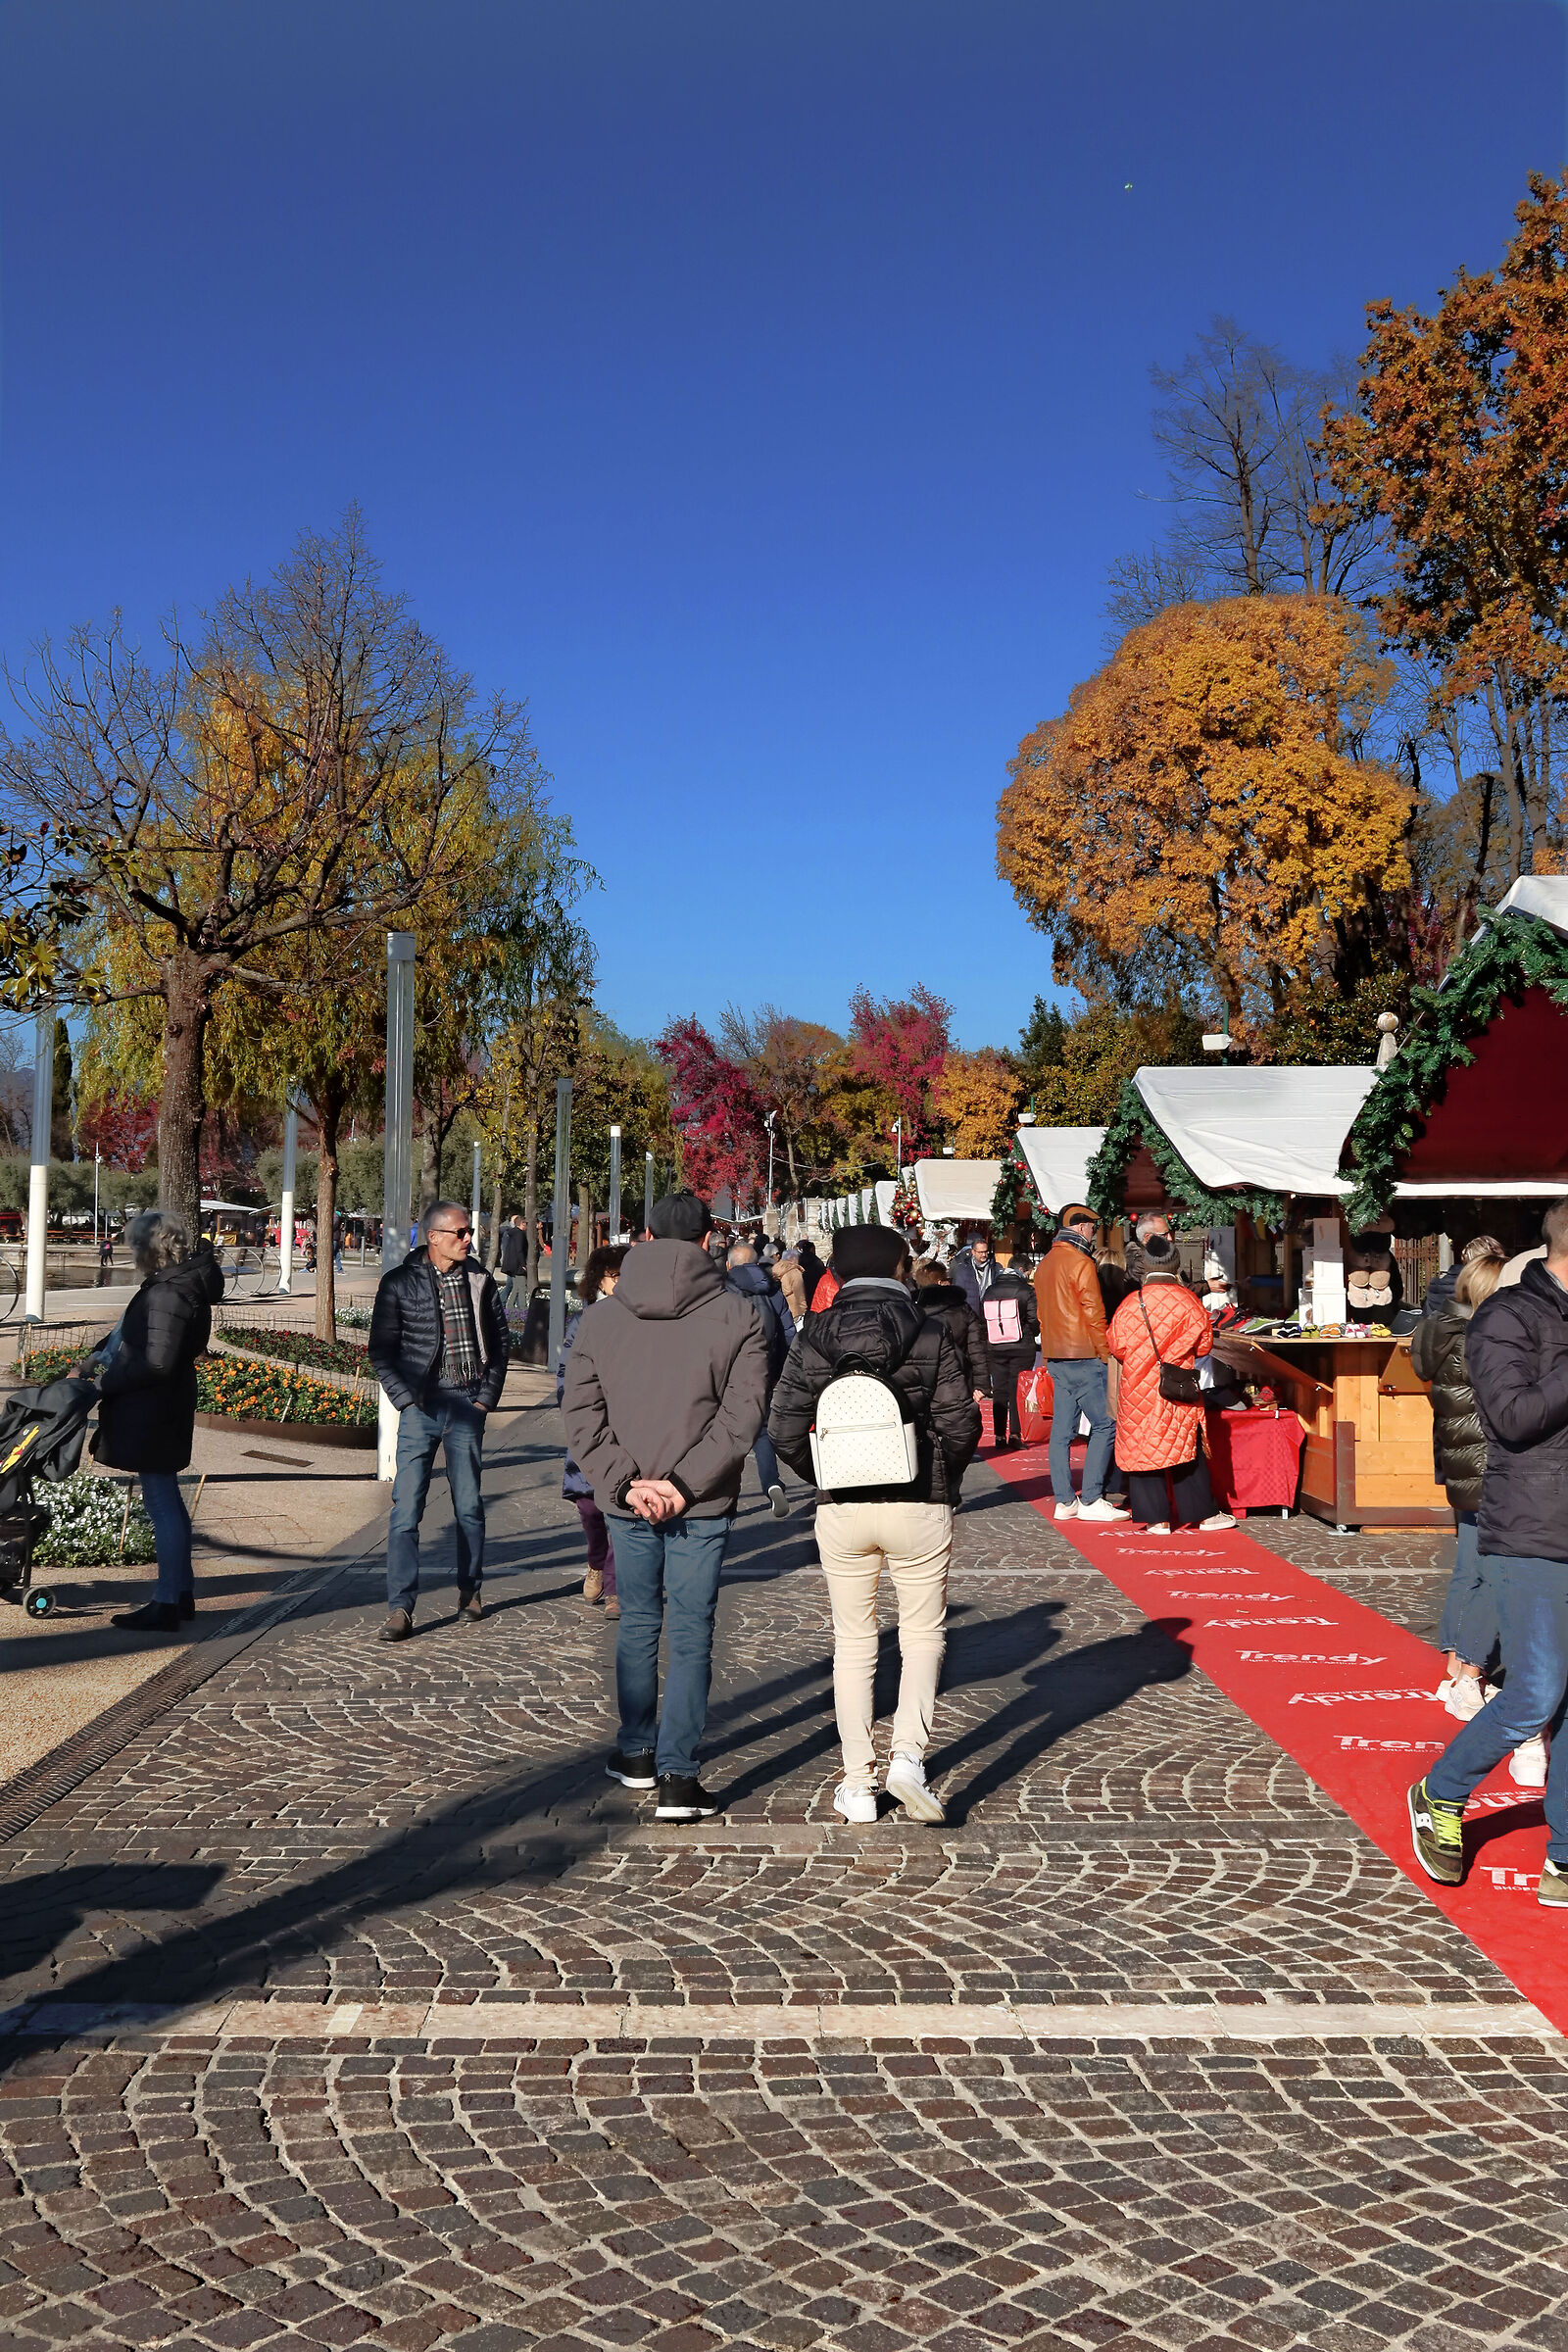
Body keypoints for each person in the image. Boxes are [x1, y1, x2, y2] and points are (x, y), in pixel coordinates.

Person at [562, 1191, 768, 1821]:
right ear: (707, 1241)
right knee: (689, 1629)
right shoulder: (742, 1315)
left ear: (645, 1238)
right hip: (700, 1500)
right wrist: (683, 1482)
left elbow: (580, 1417)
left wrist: (626, 1483)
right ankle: (678, 1775)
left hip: (631, 1499)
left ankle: (635, 1753)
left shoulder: (599, 1319)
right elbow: (743, 1416)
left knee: (639, 1624)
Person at [768, 1226, 981, 1826]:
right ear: (899, 1266)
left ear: (836, 1271)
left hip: (843, 1508)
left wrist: (829, 1473)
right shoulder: (931, 1330)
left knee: (855, 1642)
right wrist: (943, 1477)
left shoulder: (812, 1335)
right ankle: (909, 1757)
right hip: (919, 1502)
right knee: (921, 1634)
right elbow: (960, 1423)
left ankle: (858, 1784)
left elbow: (783, 1427)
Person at [1409, 1198, 1568, 1904]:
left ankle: (1564, 1854)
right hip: (1530, 1529)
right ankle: (1440, 1792)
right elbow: (1513, 1415)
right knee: (1535, 1692)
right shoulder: (1507, 1317)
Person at [368, 1200, 511, 1641]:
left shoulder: (480, 1280)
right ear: (434, 1237)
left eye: (469, 1232)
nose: (469, 1239)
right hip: (422, 1409)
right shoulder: (399, 1283)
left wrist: (485, 1400)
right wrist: (407, 1402)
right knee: (405, 1509)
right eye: (460, 1232)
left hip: (467, 1406)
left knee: (468, 1505)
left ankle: (470, 1591)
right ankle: (400, 1607)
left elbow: (502, 1344)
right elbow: (381, 1351)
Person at [94, 1209, 224, 1633]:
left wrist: (106, 1383)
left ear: (150, 1249)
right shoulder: (179, 1285)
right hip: (162, 1404)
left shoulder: (169, 1293)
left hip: (155, 1407)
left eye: (135, 1245)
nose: (132, 1253)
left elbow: (156, 1363)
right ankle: (180, 1592)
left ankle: (168, 1600)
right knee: (165, 1497)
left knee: (161, 1501)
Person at [1412, 1244, 1506, 1725]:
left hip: (1462, 1461)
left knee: (1470, 1562)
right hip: (1489, 1463)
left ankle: (1457, 1661)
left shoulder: (1441, 1329)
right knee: (1487, 1569)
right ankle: (1469, 1671)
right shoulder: (1482, 1339)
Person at [1105, 1233, 1235, 1533]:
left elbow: (1117, 1346)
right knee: (1185, 1447)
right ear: (1175, 1265)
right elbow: (1203, 1347)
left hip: (1138, 1388)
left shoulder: (1130, 1303)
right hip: (1177, 1386)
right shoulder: (1189, 1301)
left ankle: (1156, 1519)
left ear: (1146, 1266)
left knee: (1143, 1448)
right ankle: (1203, 1513)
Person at [1034, 1203, 1126, 1524]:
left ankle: (1064, 1500)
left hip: (1057, 1355)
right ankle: (1091, 1498)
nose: (1093, 1232)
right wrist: (1106, 1354)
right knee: (1104, 1424)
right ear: (1080, 1227)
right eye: (1091, 1227)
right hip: (1085, 1356)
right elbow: (1093, 1313)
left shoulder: (1046, 1263)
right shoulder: (1081, 1262)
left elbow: (1042, 1315)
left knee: (1061, 1432)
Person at [559, 1245, 627, 1619]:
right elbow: (565, 1376)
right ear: (599, 1280)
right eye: (615, 1276)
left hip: (629, 1430)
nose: (621, 1283)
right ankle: (597, 1562)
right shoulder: (583, 1322)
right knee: (589, 1508)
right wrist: (576, 1415)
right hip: (589, 1426)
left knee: (621, 1505)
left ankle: (617, 1588)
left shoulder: (642, 1319)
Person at [723, 1242, 794, 1518]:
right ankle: (773, 1483)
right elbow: (787, 1330)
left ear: (729, 1265)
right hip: (764, 1369)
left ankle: (726, 1496)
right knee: (762, 1430)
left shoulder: (723, 1288)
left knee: (726, 1431)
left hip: (729, 1371)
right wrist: (783, 1370)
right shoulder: (772, 1288)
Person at [980, 1250, 1040, 1450]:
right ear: (1021, 1270)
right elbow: (1033, 1319)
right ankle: (1015, 1434)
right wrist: (1032, 1333)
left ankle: (998, 1436)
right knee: (1016, 1391)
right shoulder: (1026, 1291)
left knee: (999, 1390)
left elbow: (983, 1318)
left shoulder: (990, 1290)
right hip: (1022, 1346)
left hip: (995, 1346)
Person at [913, 1260, 990, 1406]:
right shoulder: (962, 1309)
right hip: (958, 1377)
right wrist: (981, 1384)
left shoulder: (911, 1311)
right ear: (940, 1282)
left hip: (921, 1380)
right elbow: (976, 1348)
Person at [951, 1229, 996, 1314]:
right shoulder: (964, 1269)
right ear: (973, 1252)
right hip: (971, 1313)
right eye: (980, 1252)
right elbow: (959, 1293)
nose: (984, 1255)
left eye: (986, 1252)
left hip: (990, 1312)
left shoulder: (994, 1267)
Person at [496, 1213, 528, 1313]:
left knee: (516, 1286)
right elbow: (519, 1250)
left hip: (511, 1264)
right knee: (522, 1286)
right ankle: (522, 1308)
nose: (527, 1226)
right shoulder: (519, 1234)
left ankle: (510, 1307)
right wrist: (523, 1264)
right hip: (518, 1265)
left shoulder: (511, 1233)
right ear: (522, 1223)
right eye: (526, 1223)